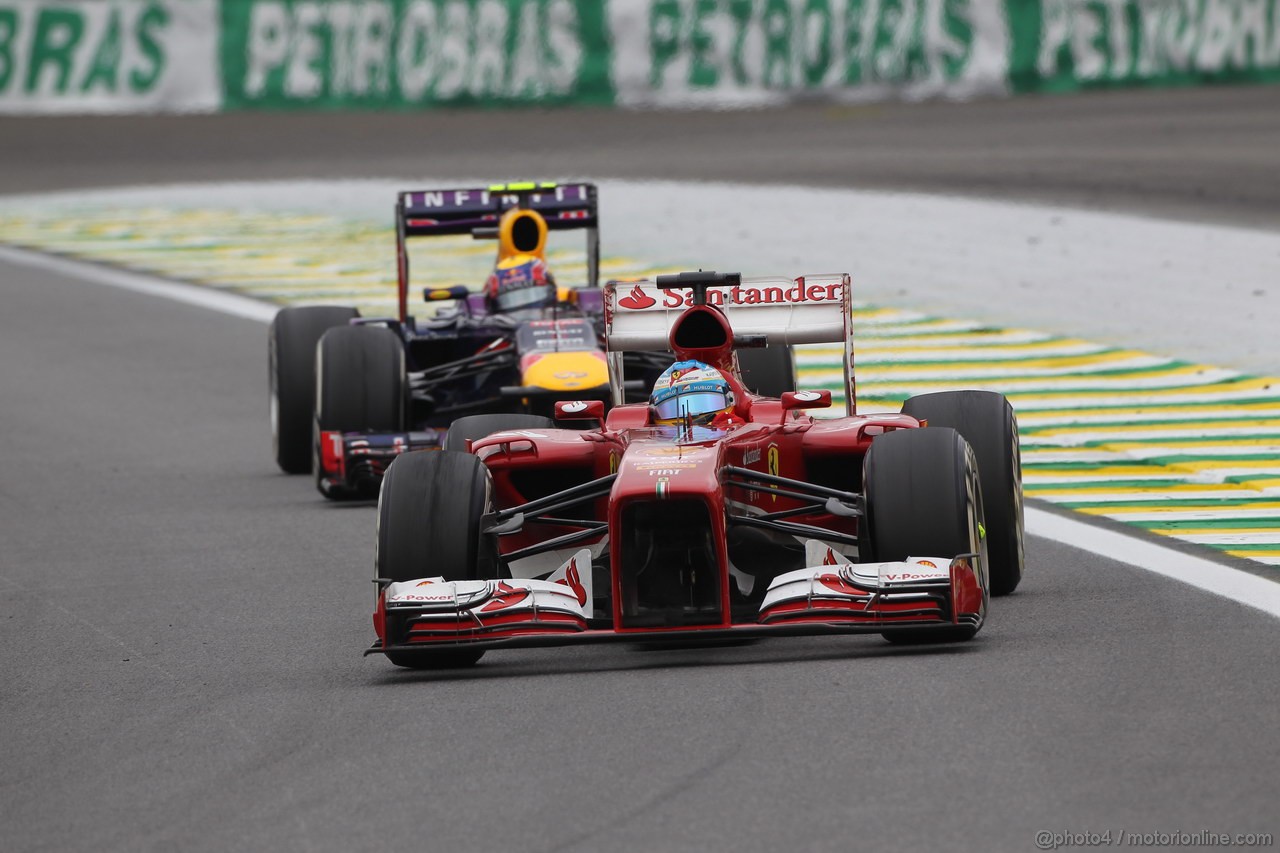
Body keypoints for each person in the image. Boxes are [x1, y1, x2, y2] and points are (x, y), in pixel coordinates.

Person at [484, 207, 558, 315]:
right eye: (513, 299)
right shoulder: (496, 275)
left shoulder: (538, 269)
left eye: (530, 296)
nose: (522, 305)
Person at [650, 360, 743, 428]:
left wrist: (737, 429)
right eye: (673, 408)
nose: (692, 418)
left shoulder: (731, 425)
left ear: (730, 399)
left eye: (705, 403)